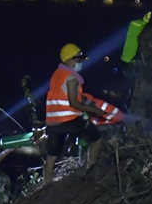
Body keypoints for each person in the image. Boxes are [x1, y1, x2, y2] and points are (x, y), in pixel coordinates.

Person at [43, 44, 108, 184]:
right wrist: (94, 110)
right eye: (78, 60)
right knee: (96, 138)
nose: (80, 63)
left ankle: (45, 187)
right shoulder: (71, 77)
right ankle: (91, 169)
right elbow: (73, 102)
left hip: (53, 122)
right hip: (69, 120)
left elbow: (62, 95)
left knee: (51, 156)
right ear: (69, 60)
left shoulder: (57, 74)